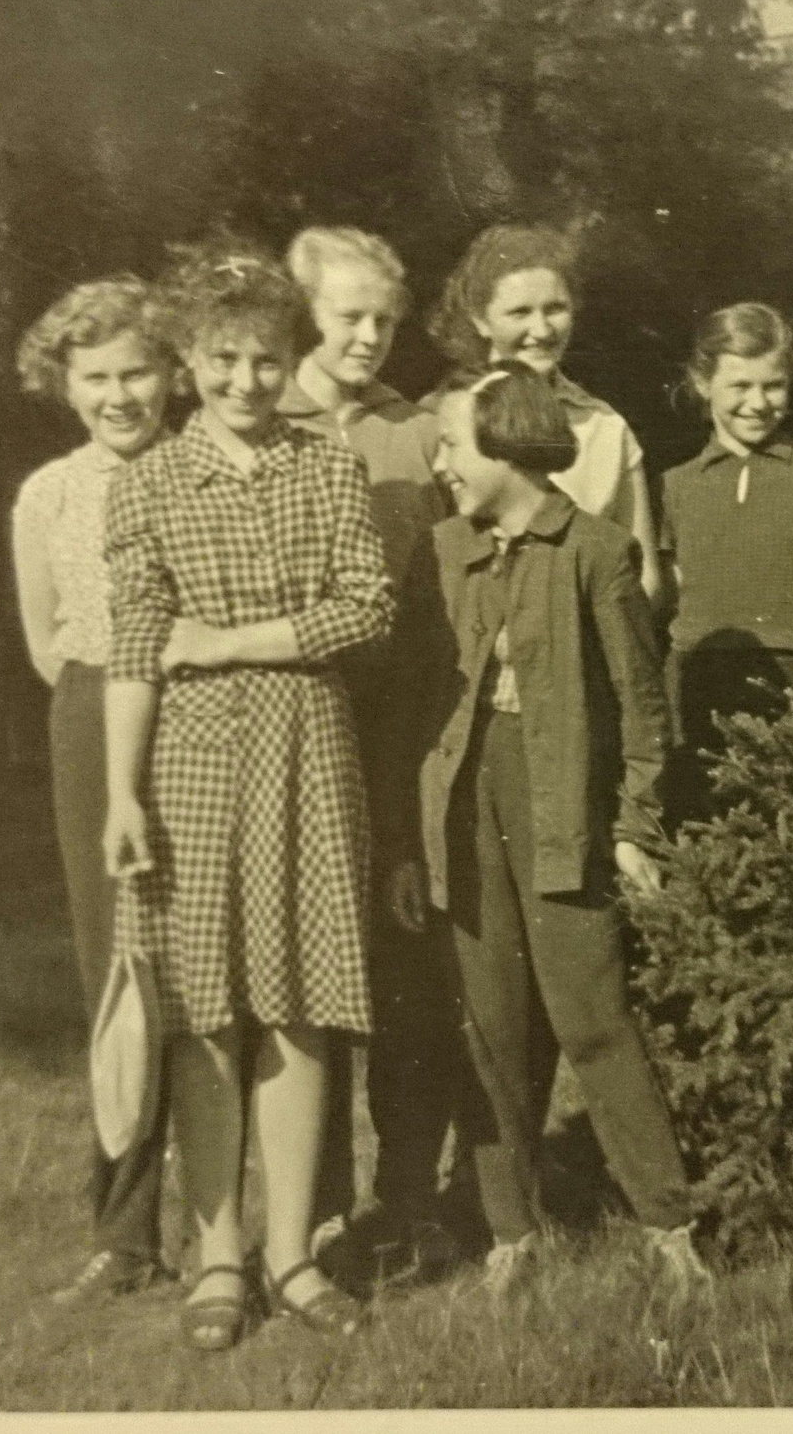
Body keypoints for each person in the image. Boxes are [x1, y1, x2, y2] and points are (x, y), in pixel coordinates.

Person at [102, 243, 392, 1348]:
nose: (245, 381)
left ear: (290, 356)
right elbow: (137, 647)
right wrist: (121, 793)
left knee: (301, 1002)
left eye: (267, 359)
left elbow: (364, 607)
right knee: (205, 1009)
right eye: (222, 360)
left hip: (308, 749)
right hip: (187, 763)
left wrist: (225, 642)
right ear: (188, 361)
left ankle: (294, 1254)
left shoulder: (329, 467)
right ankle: (220, 1253)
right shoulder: (147, 483)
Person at [416, 361, 710, 1299]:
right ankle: (512, 1230)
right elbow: (419, 706)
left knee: (592, 1018)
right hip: (466, 806)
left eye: (453, 444)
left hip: (561, 804)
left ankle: (668, 1224)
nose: (441, 462)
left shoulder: (597, 551)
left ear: (508, 445)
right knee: (490, 1024)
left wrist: (633, 826)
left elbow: (643, 708)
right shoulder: (445, 550)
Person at [278, 225, 466, 1276]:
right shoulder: (266, 413)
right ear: (306, 313)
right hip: (298, 705)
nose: (369, 337)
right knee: (303, 970)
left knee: (406, 967)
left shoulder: (416, 428)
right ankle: (313, 1209)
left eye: (386, 321)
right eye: (349, 316)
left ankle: (408, 1198)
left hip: (398, 716)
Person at [9, 275, 181, 1307]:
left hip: (200, 712)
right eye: (97, 378)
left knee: (208, 971)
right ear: (65, 385)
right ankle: (125, 1234)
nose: (120, 396)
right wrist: (108, 719)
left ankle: (240, 1226)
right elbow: (47, 644)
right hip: (88, 715)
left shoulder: (202, 469)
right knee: (116, 972)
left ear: (171, 374)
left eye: (137, 372)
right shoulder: (47, 494)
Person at [657, 302, 793, 819]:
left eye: (773, 386)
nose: (758, 403)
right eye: (740, 386)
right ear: (703, 383)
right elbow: (673, 606)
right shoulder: (675, 485)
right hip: (698, 697)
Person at [427, 224, 667, 609]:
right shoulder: (436, 421)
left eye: (555, 309)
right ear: (480, 319)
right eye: (519, 312)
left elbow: (645, 579)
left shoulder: (605, 427)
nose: (541, 330)